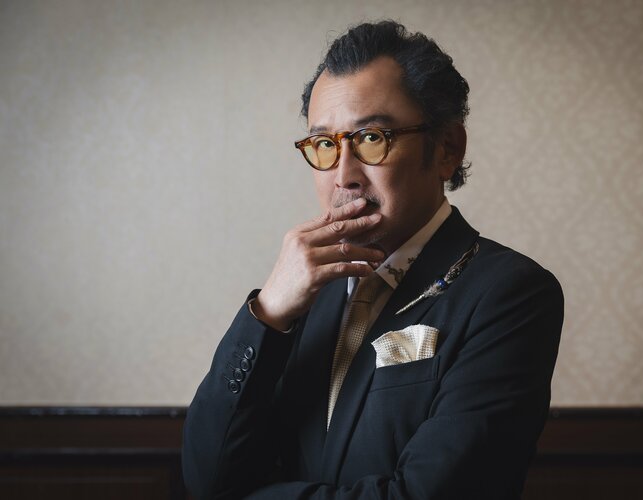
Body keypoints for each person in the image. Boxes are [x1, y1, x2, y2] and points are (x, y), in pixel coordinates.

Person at [182, 20, 564, 500]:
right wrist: (268, 312)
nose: (344, 176)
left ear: (447, 149)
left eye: (371, 139)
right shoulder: (302, 296)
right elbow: (207, 478)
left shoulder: (509, 293)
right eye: (325, 144)